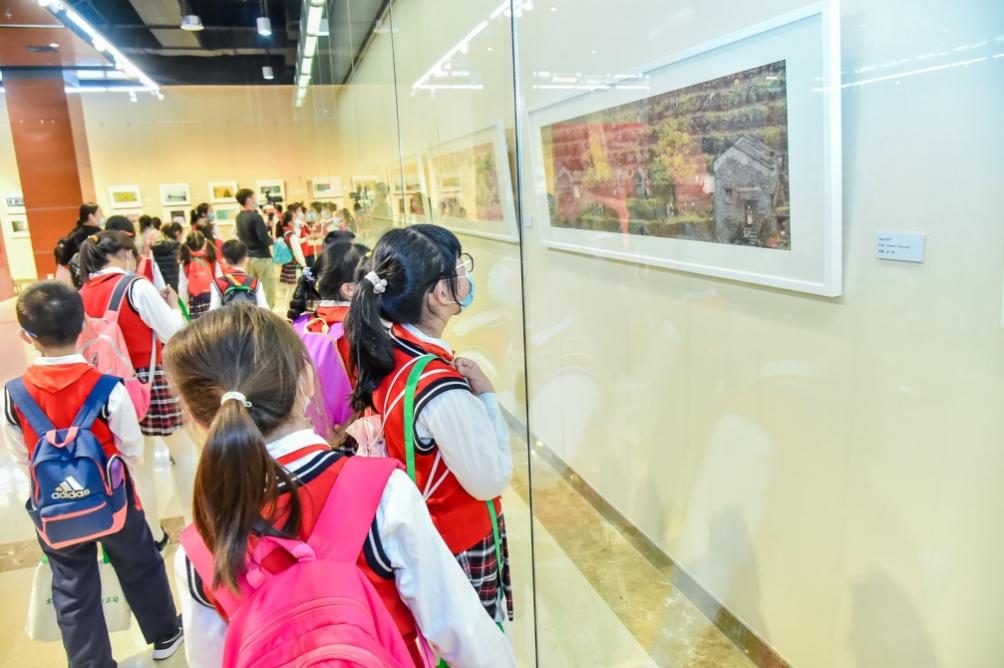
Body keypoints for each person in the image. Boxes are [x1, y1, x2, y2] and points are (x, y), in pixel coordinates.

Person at [165, 306, 514, 668]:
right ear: (306, 378)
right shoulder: (381, 493)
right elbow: (466, 636)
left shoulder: (200, 550)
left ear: (198, 420)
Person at [2, 281, 184, 667]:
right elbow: (131, 447)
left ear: (26, 336)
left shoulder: (13, 394)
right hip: (114, 501)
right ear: (83, 324)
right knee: (140, 564)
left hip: (54, 509)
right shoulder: (109, 388)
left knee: (72, 586)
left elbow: (20, 455)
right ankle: (165, 635)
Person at [346, 225, 514, 623]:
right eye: (461, 268)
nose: (467, 276)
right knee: (474, 642)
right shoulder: (442, 389)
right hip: (458, 546)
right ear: (440, 293)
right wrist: (488, 399)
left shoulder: (391, 349)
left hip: (425, 535)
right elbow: (489, 478)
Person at [78, 232, 199, 538]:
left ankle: (153, 532)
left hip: (107, 385)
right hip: (151, 380)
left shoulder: (83, 292)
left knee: (138, 462)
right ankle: (192, 527)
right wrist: (173, 306)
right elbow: (174, 333)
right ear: (127, 255)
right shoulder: (135, 286)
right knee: (183, 452)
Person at [235, 188, 276, 308]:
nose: (255, 200)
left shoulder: (239, 217)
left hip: (248, 258)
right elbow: (263, 239)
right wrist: (272, 240)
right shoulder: (256, 217)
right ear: (248, 199)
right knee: (268, 290)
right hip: (262, 258)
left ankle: (254, 314)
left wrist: (266, 227)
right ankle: (266, 315)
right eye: (253, 197)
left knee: (252, 290)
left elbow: (249, 234)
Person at [210, 240, 269, 310]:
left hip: (228, 316)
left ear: (224, 260)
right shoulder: (255, 283)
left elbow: (213, 309)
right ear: (246, 259)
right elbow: (264, 308)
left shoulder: (217, 283)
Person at [55, 202, 104, 287]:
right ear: (91, 216)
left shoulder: (73, 235)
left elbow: (63, 261)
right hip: (101, 279)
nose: (102, 216)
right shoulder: (103, 235)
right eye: (100, 212)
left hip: (80, 282)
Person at [179, 230, 219, 321]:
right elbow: (219, 279)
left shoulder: (185, 262)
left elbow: (183, 288)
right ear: (205, 243)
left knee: (199, 327)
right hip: (213, 299)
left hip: (196, 303)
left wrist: (183, 308)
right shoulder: (212, 259)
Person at [277, 211, 307, 312]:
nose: (296, 220)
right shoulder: (292, 235)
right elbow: (297, 252)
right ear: (290, 222)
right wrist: (304, 265)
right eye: (294, 219)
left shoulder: (285, 232)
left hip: (287, 265)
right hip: (293, 266)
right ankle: (291, 311)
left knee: (290, 290)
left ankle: (288, 310)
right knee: (293, 291)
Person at [150, 222, 184, 293]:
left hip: (160, 287)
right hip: (176, 286)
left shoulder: (155, 248)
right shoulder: (179, 248)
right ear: (177, 233)